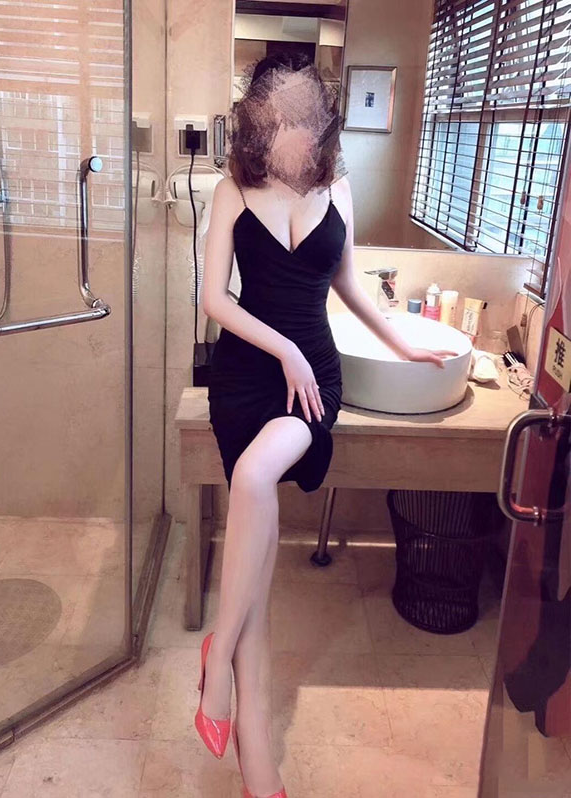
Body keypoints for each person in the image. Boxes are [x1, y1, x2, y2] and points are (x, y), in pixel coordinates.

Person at [198, 51, 456, 798]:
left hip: (313, 382)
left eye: (307, 120)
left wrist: (404, 343)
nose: (299, 132)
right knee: (257, 570)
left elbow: (348, 283)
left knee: (255, 477)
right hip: (247, 375)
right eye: (284, 119)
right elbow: (213, 299)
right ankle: (260, 772)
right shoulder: (232, 188)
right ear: (260, 122)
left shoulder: (338, 185)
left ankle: (216, 660)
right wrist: (280, 348)